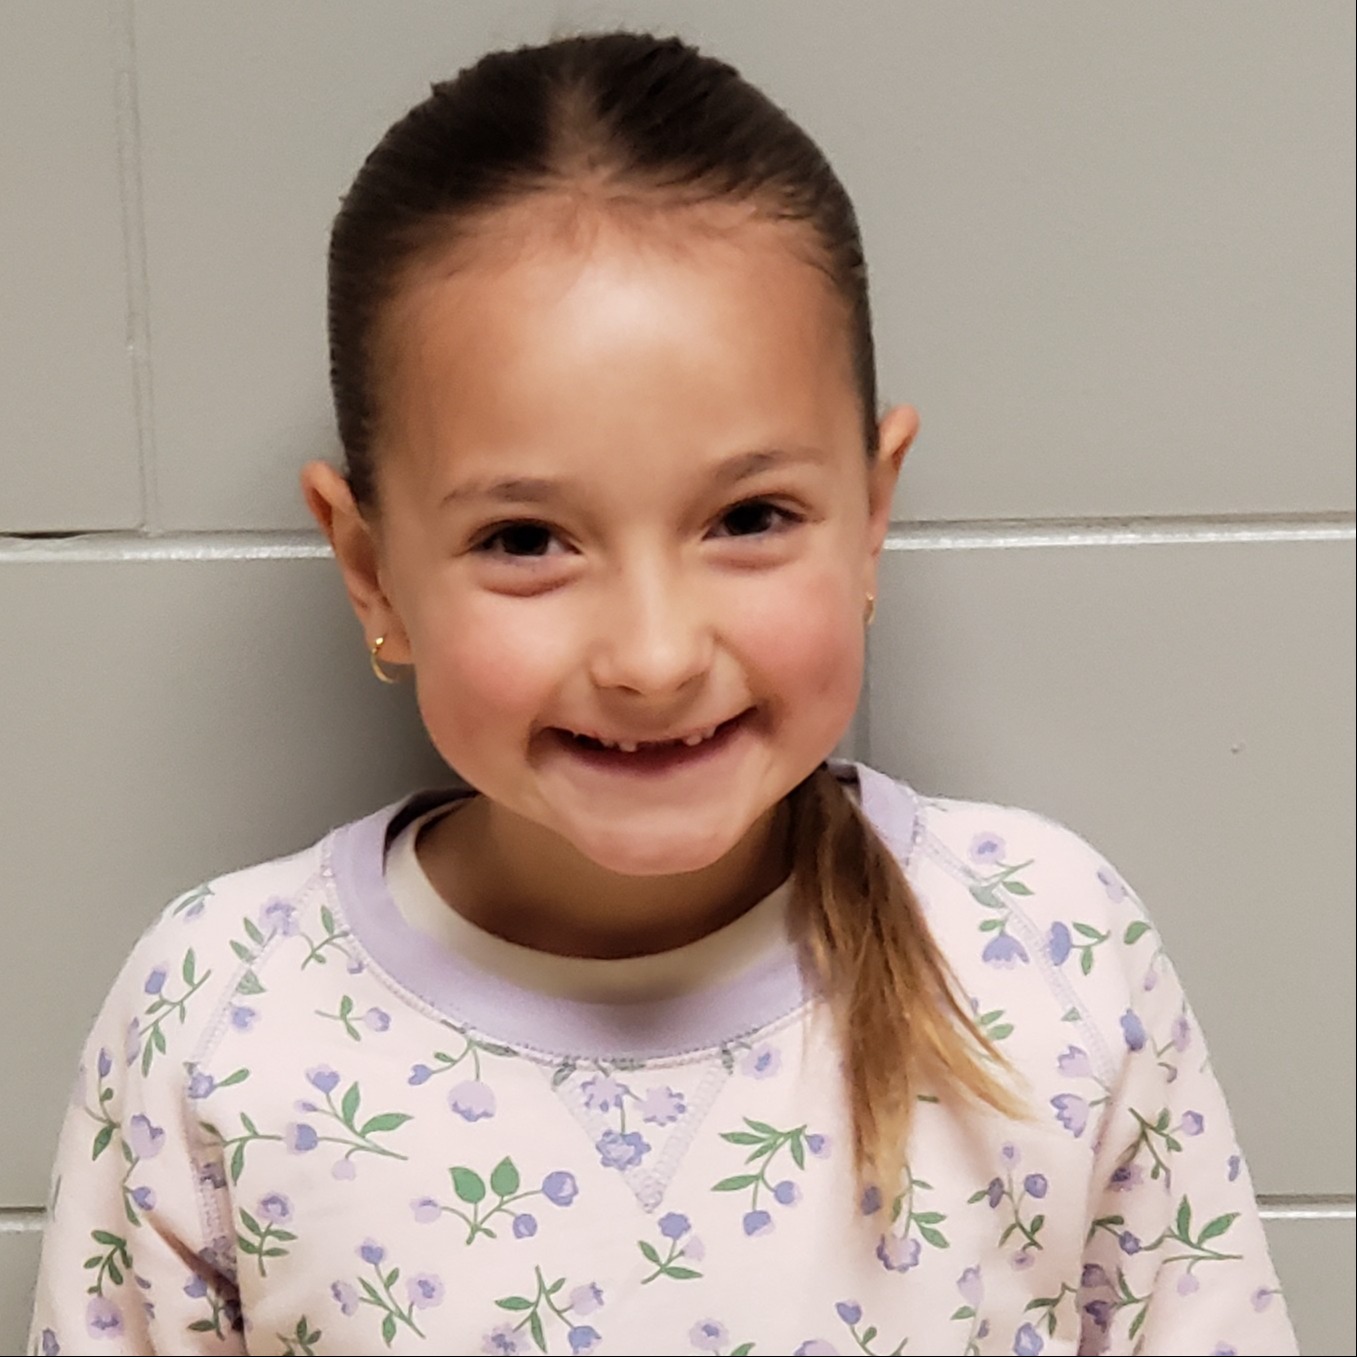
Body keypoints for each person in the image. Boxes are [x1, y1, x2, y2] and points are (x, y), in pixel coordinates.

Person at [29, 30, 1295, 1357]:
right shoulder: (217, 1010)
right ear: (371, 571)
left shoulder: (1052, 956)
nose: (651, 654)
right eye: (525, 539)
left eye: (748, 515)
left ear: (870, 520)